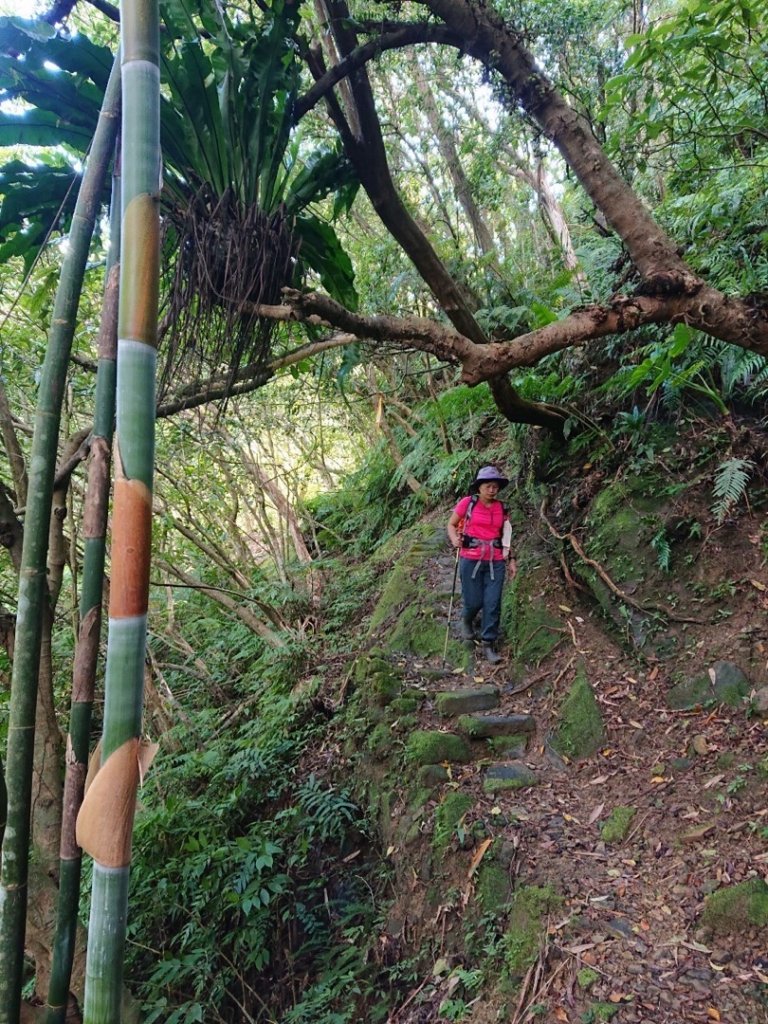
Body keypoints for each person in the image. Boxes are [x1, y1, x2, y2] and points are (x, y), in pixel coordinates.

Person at [446, 465, 517, 664]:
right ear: (479, 487)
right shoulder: (467, 504)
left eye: (495, 486)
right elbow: (451, 524)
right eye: (488, 485)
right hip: (471, 558)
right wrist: (454, 540)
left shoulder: (502, 508)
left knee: (492, 603)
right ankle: (467, 619)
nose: (492, 489)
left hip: (495, 560)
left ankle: (488, 643)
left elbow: (506, 536)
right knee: (474, 601)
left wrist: (511, 559)